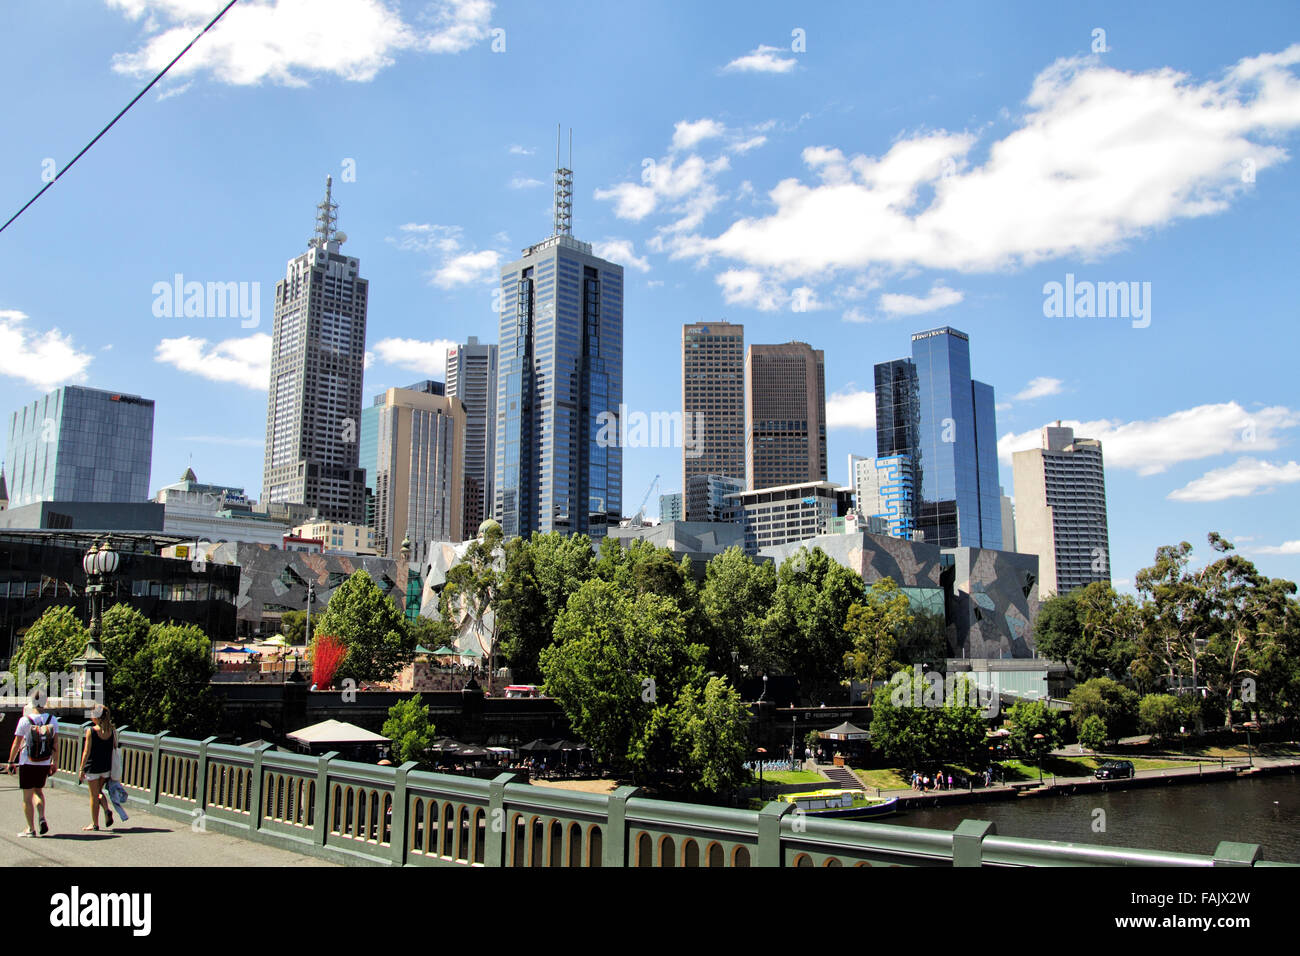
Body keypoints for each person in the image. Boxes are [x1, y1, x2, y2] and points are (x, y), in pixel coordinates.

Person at [7, 690, 59, 837]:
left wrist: (11, 761)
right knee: (38, 791)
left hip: (27, 762)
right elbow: (55, 743)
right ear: (45, 702)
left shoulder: (25, 720)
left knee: (27, 797)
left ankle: (30, 829)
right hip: (44, 762)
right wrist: (54, 762)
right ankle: (41, 817)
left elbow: (17, 743)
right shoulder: (52, 720)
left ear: (32, 702)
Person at [77, 703, 117, 830]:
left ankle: (94, 823)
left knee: (93, 796)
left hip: (93, 767)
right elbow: (114, 748)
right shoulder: (112, 731)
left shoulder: (91, 731)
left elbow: (86, 751)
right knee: (99, 791)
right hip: (106, 767)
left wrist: (81, 768)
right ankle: (106, 809)